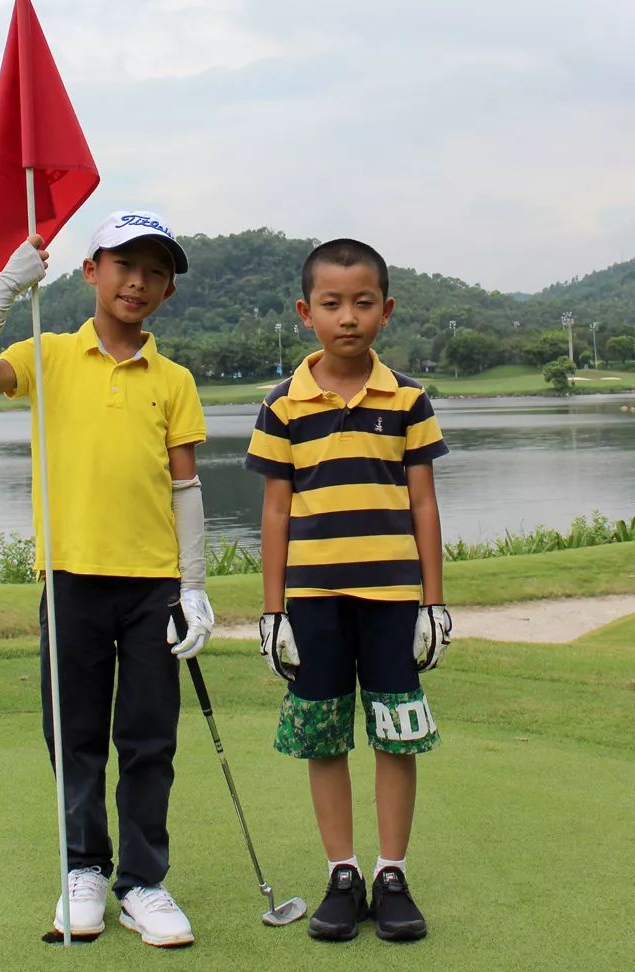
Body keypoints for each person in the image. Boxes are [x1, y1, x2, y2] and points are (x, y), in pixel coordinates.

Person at [0, 211, 214, 948]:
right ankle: (84, 870)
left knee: (150, 738)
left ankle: (144, 883)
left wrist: (193, 586)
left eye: (155, 271)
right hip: (70, 581)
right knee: (76, 736)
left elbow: (185, 489)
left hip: (154, 585)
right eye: (124, 264)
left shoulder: (175, 380)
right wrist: (4, 287)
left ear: (166, 290)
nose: (139, 282)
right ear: (90, 270)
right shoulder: (50, 354)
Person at [245, 238, 452, 945]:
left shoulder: (409, 400)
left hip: (394, 598)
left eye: (363, 303)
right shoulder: (283, 406)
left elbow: (422, 504)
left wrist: (435, 601)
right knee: (324, 737)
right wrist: (273, 614)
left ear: (385, 310)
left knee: (396, 736)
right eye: (332, 304)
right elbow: (276, 511)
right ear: (307, 312)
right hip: (314, 601)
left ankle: (391, 873)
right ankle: (343, 872)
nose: (348, 317)